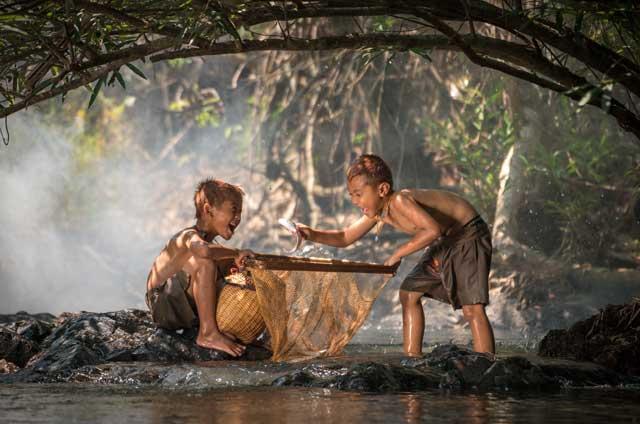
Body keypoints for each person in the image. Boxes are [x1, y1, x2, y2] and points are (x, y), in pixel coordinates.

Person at [296, 154, 495, 356]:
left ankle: (486, 363)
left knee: (472, 308)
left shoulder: (400, 200)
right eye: (351, 195)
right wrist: (310, 233)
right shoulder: (377, 212)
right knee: (409, 294)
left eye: (358, 194)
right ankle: (412, 358)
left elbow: (432, 230)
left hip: (468, 232)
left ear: (382, 190)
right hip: (446, 239)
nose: (355, 201)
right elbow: (346, 237)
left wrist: (397, 254)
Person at [146, 178, 254, 357]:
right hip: (163, 306)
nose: (238, 218)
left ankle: (221, 327)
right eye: (233, 210)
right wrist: (236, 252)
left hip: (182, 308)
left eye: (240, 212)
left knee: (233, 267)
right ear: (207, 209)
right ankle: (208, 333)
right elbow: (203, 251)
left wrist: (236, 264)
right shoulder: (187, 236)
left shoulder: (212, 246)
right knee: (205, 262)